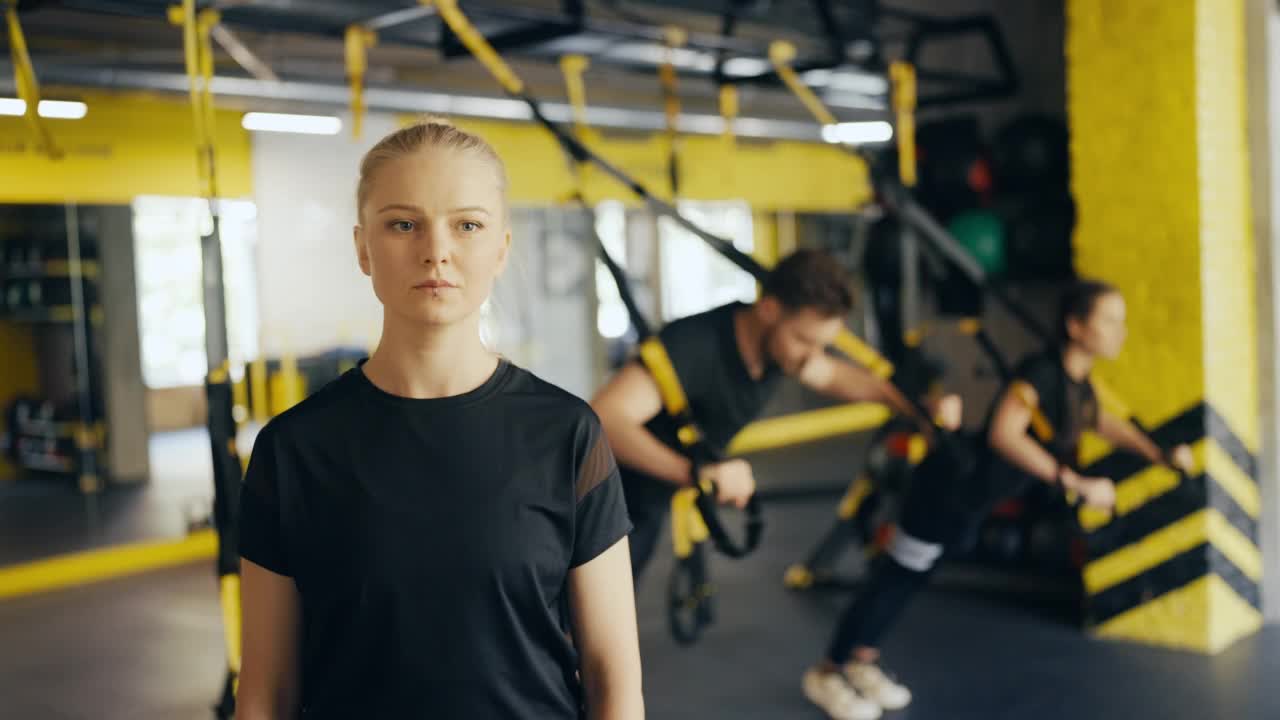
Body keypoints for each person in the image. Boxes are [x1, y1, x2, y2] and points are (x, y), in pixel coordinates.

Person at [236, 119, 644, 720]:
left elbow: (614, 680)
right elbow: (265, 694)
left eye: (467, 225)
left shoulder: (566, 434)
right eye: (403, 224)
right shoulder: (293, 451)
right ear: (362, 248)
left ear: (501, 248)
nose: (436, 251)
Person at [802, 279, 1196, 720]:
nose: (1120, 331)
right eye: (1109, 320)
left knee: (910, 580)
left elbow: (1101, 423)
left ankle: (861, 661)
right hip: (949, 490)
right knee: (895, 579)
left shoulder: (1077, 385)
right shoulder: (1041, 373)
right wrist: (1076, 482)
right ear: (1076, 326)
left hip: (972, 502)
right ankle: (829, 670)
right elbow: (1004, 435)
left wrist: (1157, 453)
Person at [591, 249, 951, 583]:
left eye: (821, 345)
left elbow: (836, 376)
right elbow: (605, 418)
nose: (811, 357)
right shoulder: (696, 346)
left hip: (647, 501)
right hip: (599, 500)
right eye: (804, 340)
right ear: (769, 309)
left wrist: (918, 410)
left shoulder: (782, 350)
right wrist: (695, 474)